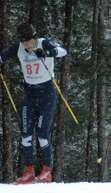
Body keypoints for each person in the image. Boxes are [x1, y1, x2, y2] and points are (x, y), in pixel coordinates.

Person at [0, 23, 67, 183]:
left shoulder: (44, 43)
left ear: (34, 38)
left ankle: (46, 170)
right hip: (30, 95)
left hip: (47, 95)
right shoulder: (18, 48)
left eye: (29, 41)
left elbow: (64, 51)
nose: (27, 45)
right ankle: (29, 171)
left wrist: (49, 52)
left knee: (42, 135)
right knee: (25, 135)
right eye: (24, 42)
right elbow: (2, 56)